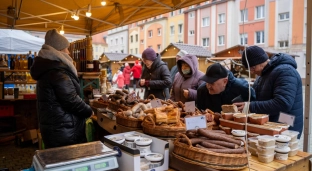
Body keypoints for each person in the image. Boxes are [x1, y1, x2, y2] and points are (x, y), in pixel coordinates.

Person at [30, 29, 93, 149]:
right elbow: (70, 99)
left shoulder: (48, 67)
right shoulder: (57, 71)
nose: (68, 52)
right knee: (67, 164)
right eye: (66, 48)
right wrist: (88, 110)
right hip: (63, 131)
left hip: (57, 128)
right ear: (58, 51)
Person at [234, 46, 303, 138]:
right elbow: (256, 96)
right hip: (272, 125)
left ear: (260, 62)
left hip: (286, 127)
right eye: (249, 69)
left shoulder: (285, 71)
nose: (252, 71)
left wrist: (250, 106)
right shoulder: (262, 75)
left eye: (253, 68)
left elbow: (283, 103)